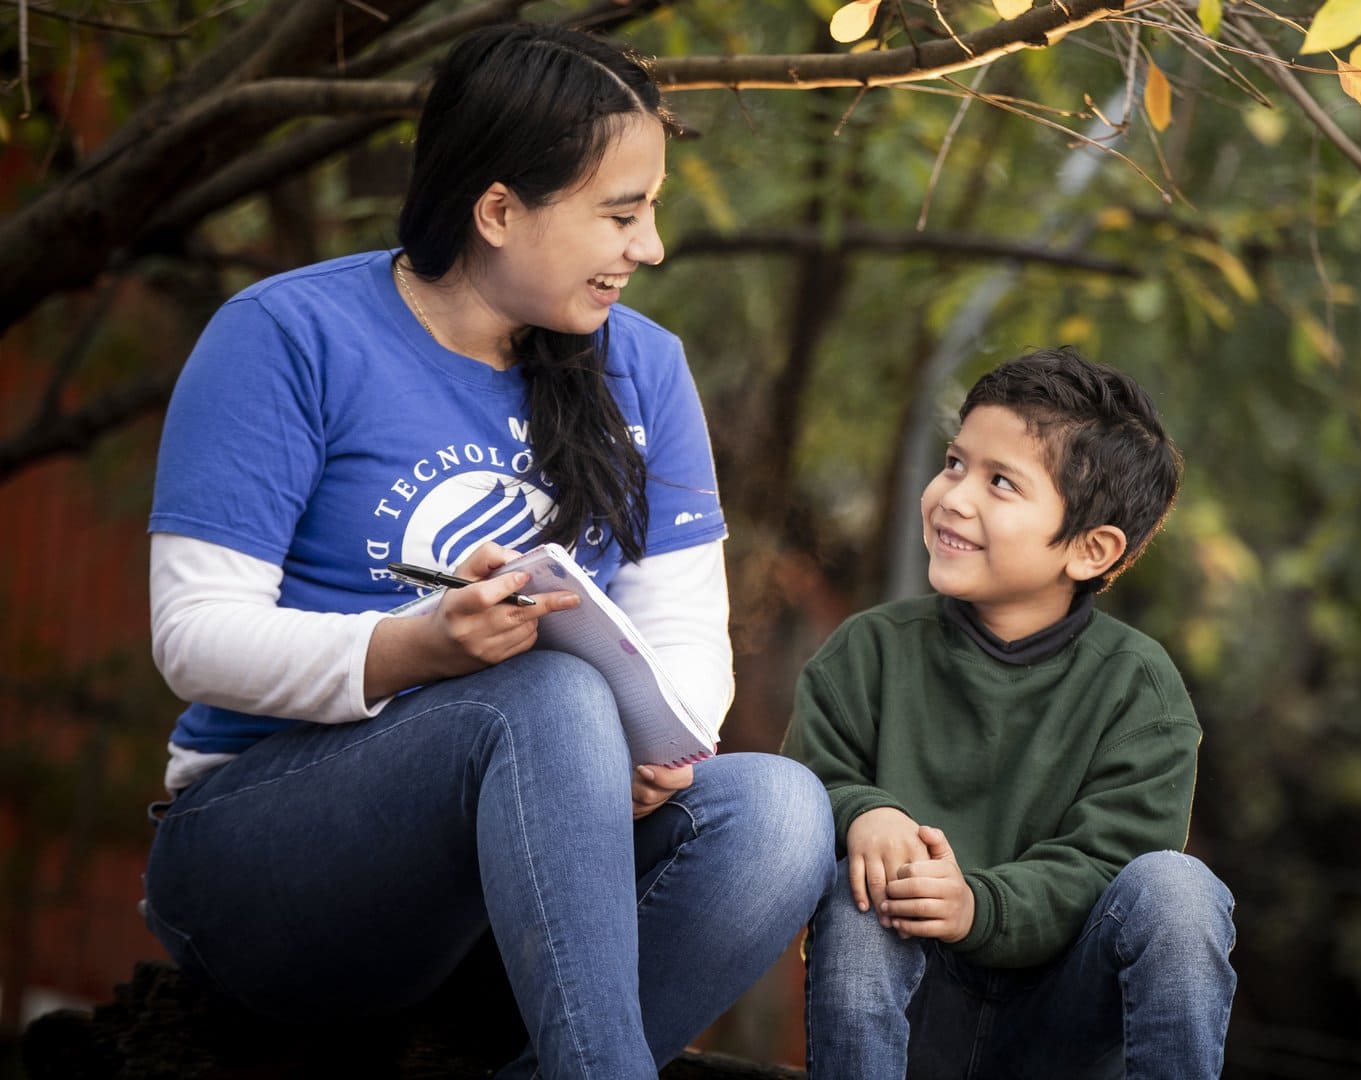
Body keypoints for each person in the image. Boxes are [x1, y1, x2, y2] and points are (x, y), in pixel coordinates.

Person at [140, 24, 832, 1080]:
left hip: (531, 872)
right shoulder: (288, 336)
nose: (649, 245)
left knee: (782, 814)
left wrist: (656, 751)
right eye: (622, 212)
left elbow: (688, 630)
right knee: (546, 697)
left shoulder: (644, 369)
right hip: (272, 861)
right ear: (500, 210)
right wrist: (418, 648)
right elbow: (194, 639)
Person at [781, 348, 1237, 1079]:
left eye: (1000, 482)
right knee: (860, 892)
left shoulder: (1138, 690)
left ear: (1091, 550)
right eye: (956, 463)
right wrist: (865, 811)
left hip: (1058, 1027)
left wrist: (978, 905)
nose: (954, 496)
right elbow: (801, 786)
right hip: (908, 1007)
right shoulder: (869, 652)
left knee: (1180, 892)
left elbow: (1107, 865)